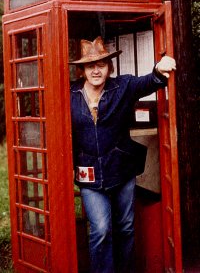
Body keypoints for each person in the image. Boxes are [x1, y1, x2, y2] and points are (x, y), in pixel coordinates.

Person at [69, 36, 176, 273]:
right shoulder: (70, 94)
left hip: (122, 169)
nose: (96, 70)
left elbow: (150, 81)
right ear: (82, 70)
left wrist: (159, 69)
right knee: (101, 229)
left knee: (125, 226)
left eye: (101, 64)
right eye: (90, 65)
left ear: (109, 67)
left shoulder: (123, 87)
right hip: (90, 175)